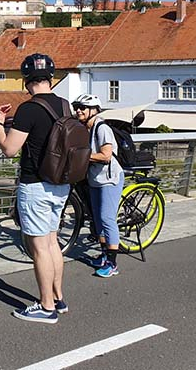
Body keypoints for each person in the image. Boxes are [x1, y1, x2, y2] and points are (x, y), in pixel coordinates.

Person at [0, 53, 69, 324]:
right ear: (50, 77)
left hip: (35, 185)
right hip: (61, 183)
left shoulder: (28, 109)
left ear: (27, 80)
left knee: (39, 248)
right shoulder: (65, 106)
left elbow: (10, 150)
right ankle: (58, 298)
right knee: (52, 243)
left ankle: (46, 306)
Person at [73, 93, 124, 278]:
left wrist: (82, 157)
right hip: (95, 179)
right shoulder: (86, 128)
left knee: (107, 218)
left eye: (82, 107)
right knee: (98, 219)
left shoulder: (102, 128)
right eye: (76, 107)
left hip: (109, 180)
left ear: (94, 110)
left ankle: (112, 264)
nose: (78, 110)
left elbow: (106, 155)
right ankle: (104, 255)